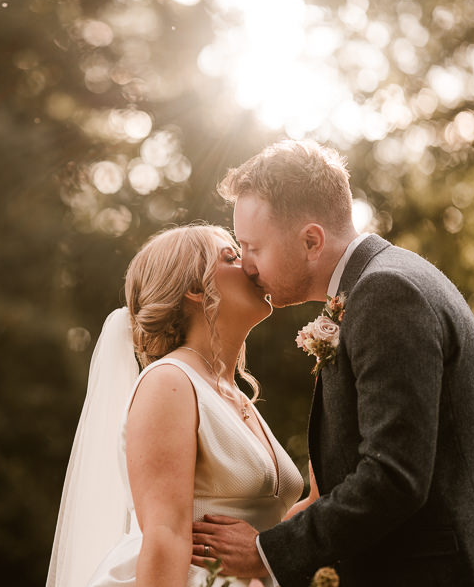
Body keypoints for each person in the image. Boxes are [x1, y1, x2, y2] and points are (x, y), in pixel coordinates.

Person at [192, 140, 474, 586]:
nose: (247, 265)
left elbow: (395, 476)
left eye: (253, 248)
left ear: (311, 240)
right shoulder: (395, 276)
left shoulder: (386, 294)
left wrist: (268, 551)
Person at [47, 224, 316, 587]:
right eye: (231, 257)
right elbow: (164, 537)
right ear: (194, 289)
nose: (250, 266)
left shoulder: (234, 395)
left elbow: (265, 525)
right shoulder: (169, 382)